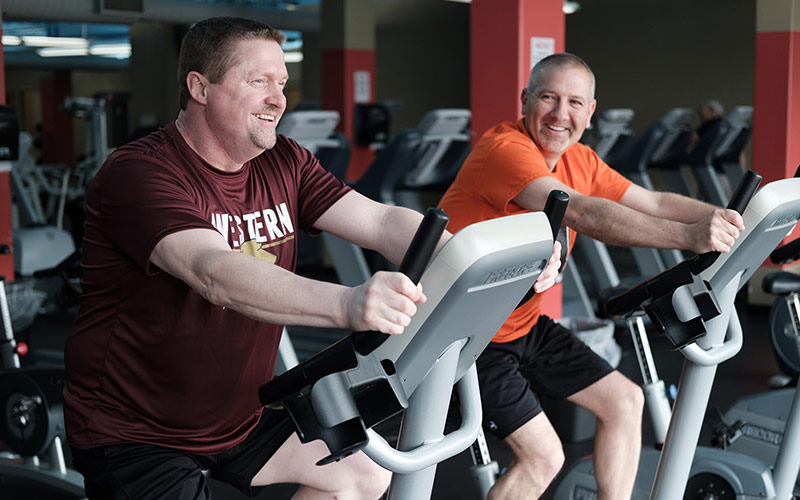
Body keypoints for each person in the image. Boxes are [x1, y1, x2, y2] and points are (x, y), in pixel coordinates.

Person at [61, 17, 560, 500]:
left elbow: (382, 223)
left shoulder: (285, 160)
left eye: (281, 82)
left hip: (240, 417)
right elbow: (212, 273)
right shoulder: (140, 172)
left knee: (362, 477)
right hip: (137, 431)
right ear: (199, 86)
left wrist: (476, 261)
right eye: (258, 81)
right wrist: (349, 304)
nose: (278, 99)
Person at [438, 53, 744, 500]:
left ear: (591, 111)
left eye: (574, 102)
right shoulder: (505, 151)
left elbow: (654, 203)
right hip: (465, 336)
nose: (561, 114)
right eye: (549, 98)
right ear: (525, 100)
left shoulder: (580, 158)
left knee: (625, 401)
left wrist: (734, 220)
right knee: (545, 457)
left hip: (521, 327)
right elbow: (578, 210)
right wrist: (690, 235)